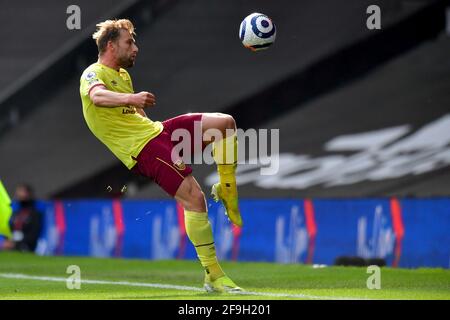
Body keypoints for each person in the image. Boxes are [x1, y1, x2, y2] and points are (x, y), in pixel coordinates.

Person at [79, 19, 242, 293]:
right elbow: (98, 98)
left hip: (157, 133)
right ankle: (213, 276)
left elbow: (136, 115)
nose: (136, 48)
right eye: (129, 42)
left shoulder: (123, 75)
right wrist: (132, 100)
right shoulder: (92, 73)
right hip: (141, 148)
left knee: (225, 123)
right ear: (110, 45)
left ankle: (227, 190)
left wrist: (162, 134)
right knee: (195, 199)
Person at [0, 184, 43, 252]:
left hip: (26, 247)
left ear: (28, 194)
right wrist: (7, 241)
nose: (18, 194)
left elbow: (33, 235)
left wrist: (16, 243)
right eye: (18, 191)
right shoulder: (15, 212)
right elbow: (9, 229)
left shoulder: (35, 213)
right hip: (11, 246)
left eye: (21, 191)